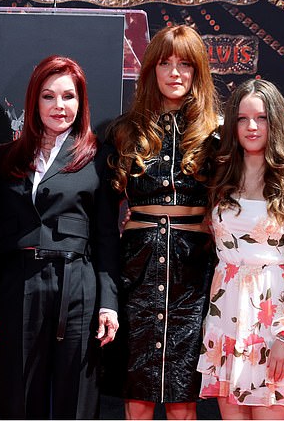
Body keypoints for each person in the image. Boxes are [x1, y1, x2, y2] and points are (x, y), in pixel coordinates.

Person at [0, 55, 120, 419]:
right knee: (19, 399)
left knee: (77, 401)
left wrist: (108, 302)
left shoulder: (99, 158)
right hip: (19, 284)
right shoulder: (5, 158)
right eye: (48, 96)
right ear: (33, 102)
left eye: (68, 97)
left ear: (81, 102)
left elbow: (106, 239)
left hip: (78, 287)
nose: (59, 106)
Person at [104, 25, 220, 420]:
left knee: (182, 389)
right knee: (137, 385)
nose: (175, 73)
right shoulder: (124, 132)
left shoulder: (217, 136)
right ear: (151, 69)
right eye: (165, 63)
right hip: (136, 266)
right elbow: (101, 214)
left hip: (195, 271)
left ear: (198, 71)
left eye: (185, 64)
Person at [197, 78, 284, 418]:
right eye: (242, 118)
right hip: (227, 314)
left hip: (273, 320)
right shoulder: (222, 177)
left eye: (261, 118)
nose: (251, 126)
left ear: (276, 122)